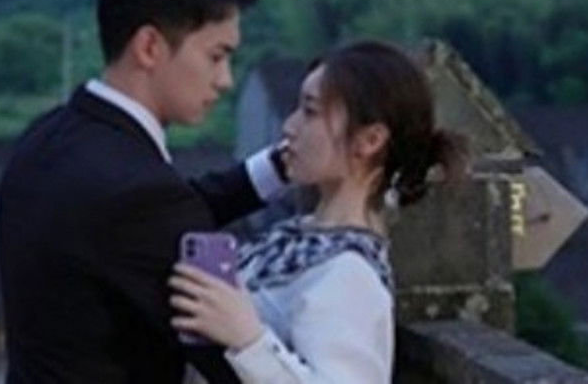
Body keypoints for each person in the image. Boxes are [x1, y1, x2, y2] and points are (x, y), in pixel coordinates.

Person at [0, 0, 289, 383]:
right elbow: (237, 366)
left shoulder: (46, 137)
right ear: (149, 47)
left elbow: (172, 214)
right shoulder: (142, 196)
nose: (226, 80)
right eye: (216, 56)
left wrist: (278, 168)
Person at [170, 40, 468, 384]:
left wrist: (248, 340)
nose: (290, 126)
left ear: (370, 140)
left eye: (310, 112)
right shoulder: (302, 237)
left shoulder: (350, 275)